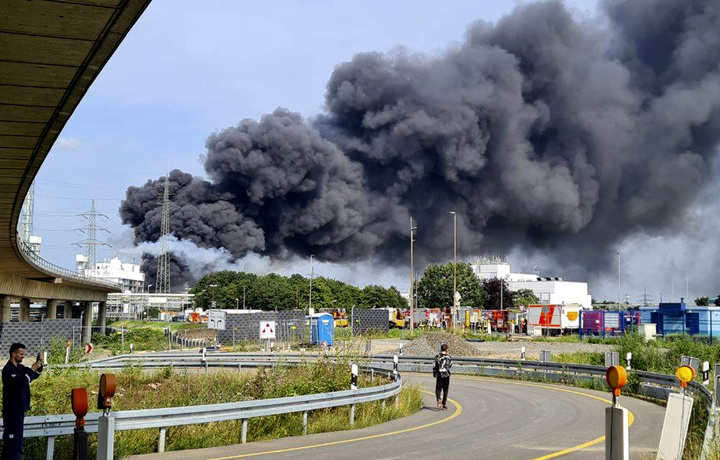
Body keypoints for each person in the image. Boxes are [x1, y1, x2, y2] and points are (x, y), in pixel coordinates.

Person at [2, 343, 42, 460]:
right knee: (12, 444)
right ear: (13, 354)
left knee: (17, 444)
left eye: (24, 354)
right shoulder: (8, 370)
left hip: (19, 411)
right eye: (21, 354)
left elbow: (32, 375)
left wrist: (38, 366)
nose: (23, 356)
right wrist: (31, 370)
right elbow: (20, 383)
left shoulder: (20, 368)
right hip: (11, 412)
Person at [433, 343, 452, 410]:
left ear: (441, 349)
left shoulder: (437, 356)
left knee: (438, 389)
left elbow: (434, 365)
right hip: (446, 375)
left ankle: (438, 399)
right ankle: (444, 403)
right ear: (446, 349)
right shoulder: (449, 357)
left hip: (439, 374)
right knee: (445, 390)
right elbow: (450, 366)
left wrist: (434, 373)